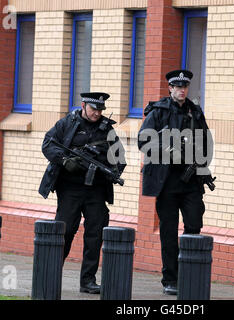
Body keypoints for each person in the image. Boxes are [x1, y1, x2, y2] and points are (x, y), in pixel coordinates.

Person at [39, 92, 126, 294]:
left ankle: (87, 281)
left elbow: (120, 158)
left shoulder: (107, 130)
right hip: (69, 189)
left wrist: (111, 172)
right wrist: (65, 161)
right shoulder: (67, 124)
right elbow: (47, 145)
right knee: (65, 231)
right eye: (93, 108)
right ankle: (50, 274)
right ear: (84, 105)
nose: (97, 113)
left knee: (95, 234)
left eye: (100, 110)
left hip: (95, 190)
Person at [138, 69, 214, 295]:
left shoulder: (195, 112)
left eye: (185, 87)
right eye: (177, 87)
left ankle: (189, 275)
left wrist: (200, 163)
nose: (181, 90)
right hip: (167, 181)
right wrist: (167, 149)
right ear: (170, 88)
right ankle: (170, 279)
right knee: (169, 232)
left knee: (194, 225)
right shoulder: (158, 112)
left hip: (190, 181)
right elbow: (143, 141)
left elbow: (207, 143)